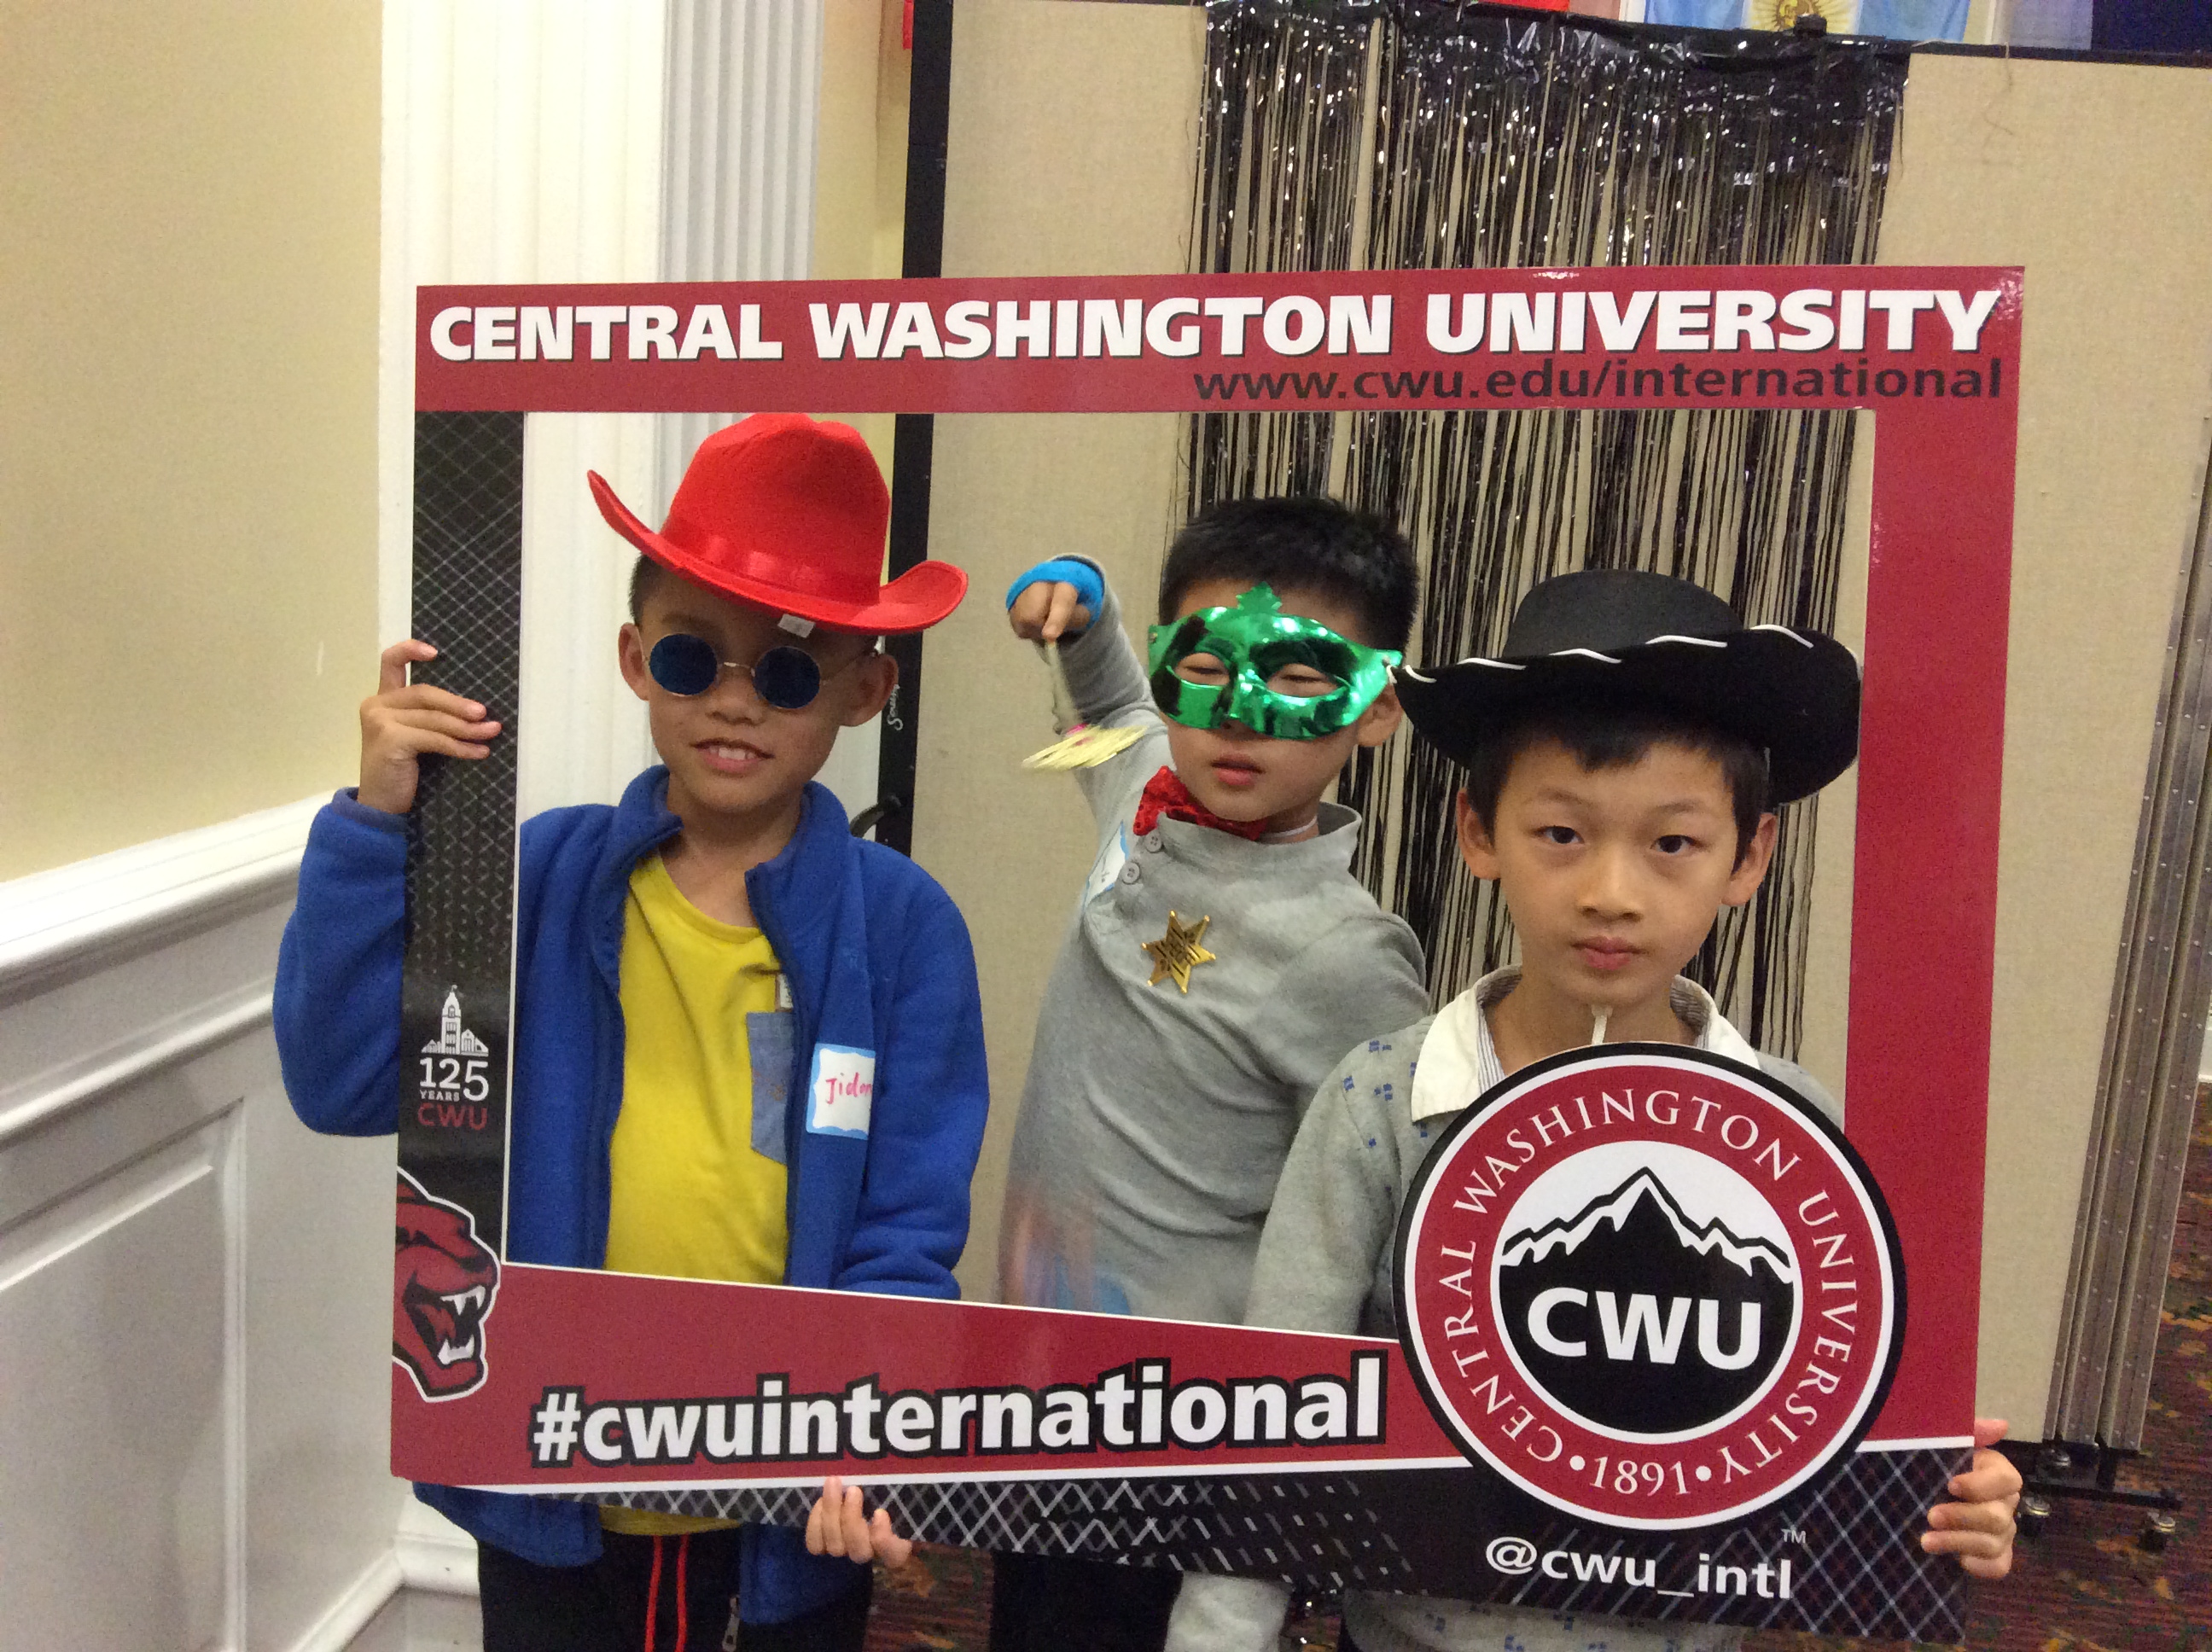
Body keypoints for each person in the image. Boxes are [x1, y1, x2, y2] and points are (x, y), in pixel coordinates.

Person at [1164, 568, 2023, 1652]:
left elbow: (1844, 1430)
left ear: (1749, 856)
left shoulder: (1791, 1131)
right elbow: (1275, 1417)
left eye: (1672, 843)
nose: (1610, 893)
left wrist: (1948, 1497)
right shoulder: (1383, 1101)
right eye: (1561, 834)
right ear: (1479, 832)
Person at [275, 414, 990, 1651]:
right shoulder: (533, 880)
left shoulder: (904, 927)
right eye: (691, 657)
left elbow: (908, 1217)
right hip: (554, 1468)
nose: (734, 700)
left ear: (866, 688)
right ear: (635, 658)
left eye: (789, 671)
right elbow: (343, 1079)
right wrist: (372, 829)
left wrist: (870, 1416)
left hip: (781, 1487)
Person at [990, 497, 1434, 1651]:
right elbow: (1110, 705)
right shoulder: (1143, 786)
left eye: (1297, 679)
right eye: (1205, 667)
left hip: (1179, 1432)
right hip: (1034, 1387)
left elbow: (1391, 1200)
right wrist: (1080, 598)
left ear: (1377, 705)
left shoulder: (1346, 956)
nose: (1237, 712)